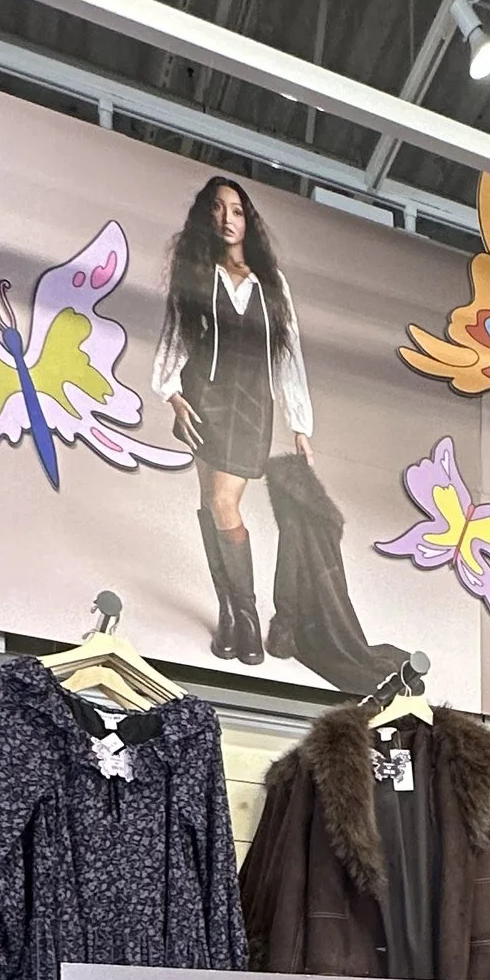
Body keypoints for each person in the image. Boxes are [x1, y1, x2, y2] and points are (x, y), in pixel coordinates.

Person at [151, 173, 314, 666]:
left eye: (238, 210)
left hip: (251, 408)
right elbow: (175, 335)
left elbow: (290, 354)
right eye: (219, 209)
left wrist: (300, 422)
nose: (228, 218)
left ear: (249, 221)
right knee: (209, 499)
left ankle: (246, 611)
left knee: (225, 503)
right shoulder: (197, 273)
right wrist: (171, 394)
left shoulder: (272, 283)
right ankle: (229, 611)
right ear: (208, 216)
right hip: (205, 399)